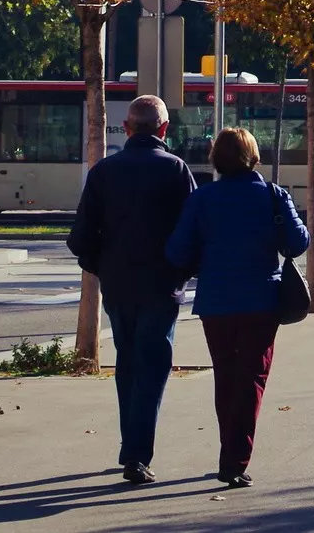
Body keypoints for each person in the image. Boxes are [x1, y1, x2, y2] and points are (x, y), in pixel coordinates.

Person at [167, 127, 310, 488]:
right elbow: (298, 242)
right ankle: (233, 460)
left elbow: (177, 252)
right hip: (262, 301)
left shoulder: (203, 199)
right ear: (254, 156)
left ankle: (228, 450)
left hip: (215, 302)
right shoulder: (274, 196)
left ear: (217, 158)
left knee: (226, 377)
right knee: (251, 380)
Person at [66, 95, 195, 486]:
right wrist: (182, 272)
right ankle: (138, 454)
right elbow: (191, 231)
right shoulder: (175, 169)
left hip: (119, 284)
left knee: (128, 362)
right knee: (153, 366)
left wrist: (101, 267)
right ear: (164, 128)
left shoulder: (105, 171)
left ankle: (130, 445)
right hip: (161, 283)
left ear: (126, 128)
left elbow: (81, 235)